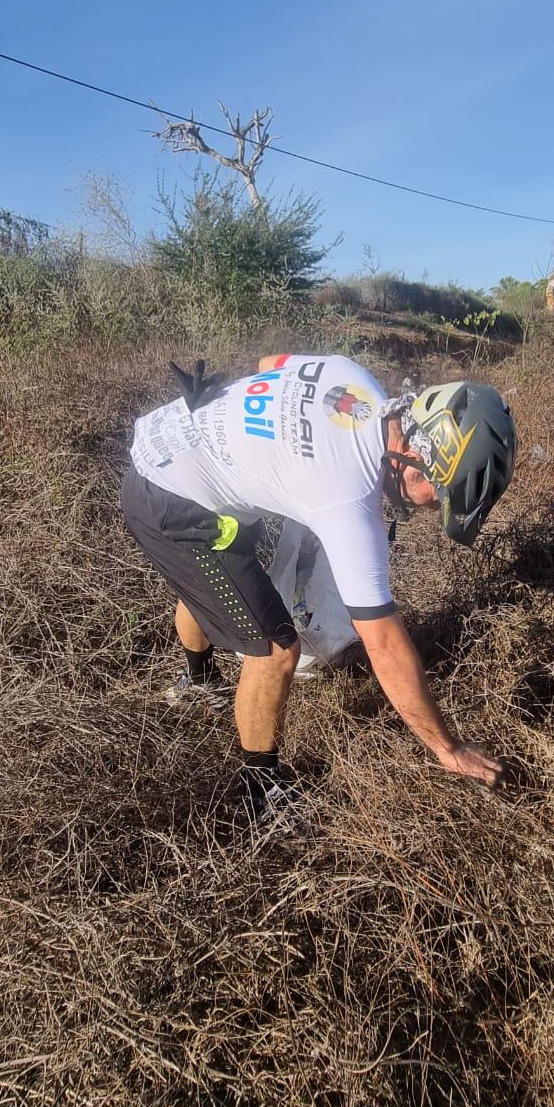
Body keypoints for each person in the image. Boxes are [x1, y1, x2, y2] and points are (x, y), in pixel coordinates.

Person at [121, 353, 516, 823]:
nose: (435, 510)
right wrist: (446, 749)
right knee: (275, 648)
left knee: (213, 586)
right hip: (169, 502)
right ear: (414, 459)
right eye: (441, 495)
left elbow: (271, 361)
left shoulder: (355, 380)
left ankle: (198, 680)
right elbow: (385, 645)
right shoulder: (349, 501)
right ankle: (260, 791)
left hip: (174, 445)